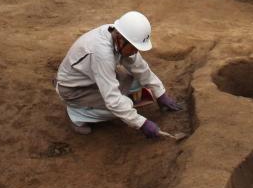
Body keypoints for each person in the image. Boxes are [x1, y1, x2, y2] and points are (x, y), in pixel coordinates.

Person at [54, 11, 182, 137]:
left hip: (92, 77)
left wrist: (160, 94)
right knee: (123, 105)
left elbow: (140, 68)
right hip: (73, 89)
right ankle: (77, 115)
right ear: (121, 39)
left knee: (135, 81)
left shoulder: (118, 34)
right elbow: (113, 101)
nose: (135, 51)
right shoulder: (102, 53)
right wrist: (142, 123)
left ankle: (97, 105)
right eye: (133, 47)